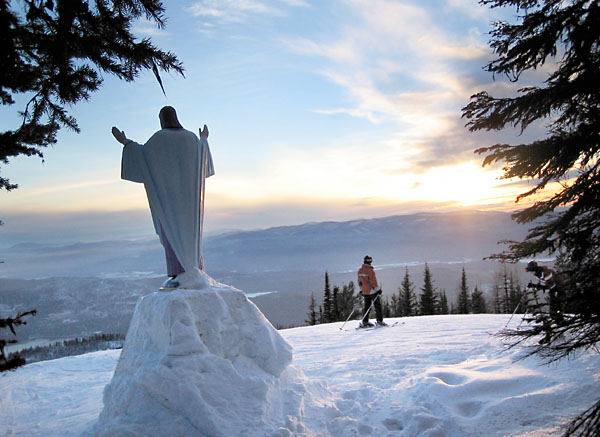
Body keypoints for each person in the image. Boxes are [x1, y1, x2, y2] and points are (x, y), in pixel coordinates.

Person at [112, 106, 215, 290]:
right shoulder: (191, 138)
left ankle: (178, 274)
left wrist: (125, 142)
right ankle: (196, 269)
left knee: (170, 233)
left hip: (167, 202)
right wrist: (204, 138)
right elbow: (202, 159)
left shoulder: (158, 140)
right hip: (190, 202)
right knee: (192, 235)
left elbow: (142, 157)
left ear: (162, 119)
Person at [525, 261, 565, 325]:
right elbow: (543, 284)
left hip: (558, 288)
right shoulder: (539, 274)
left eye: (531, 271)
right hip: (554, 289)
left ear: (535, 270)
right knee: (554, 305)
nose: (531, 273)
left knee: (556, 304)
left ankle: (559, 320)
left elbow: (551, 285)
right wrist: (535, 285)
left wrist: (540, 286)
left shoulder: (546, 273)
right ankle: (558, 320)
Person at [357, 255, 387, 328]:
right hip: (372, 291)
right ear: (370, 261)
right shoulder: (370, 271)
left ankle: (365, 321)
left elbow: (359, 282)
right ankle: (380, 321)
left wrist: (361, 289)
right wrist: (378, 290)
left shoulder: (360, 270)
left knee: (367, 306)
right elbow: (374, 282)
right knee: (377, 306)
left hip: (365, 291)